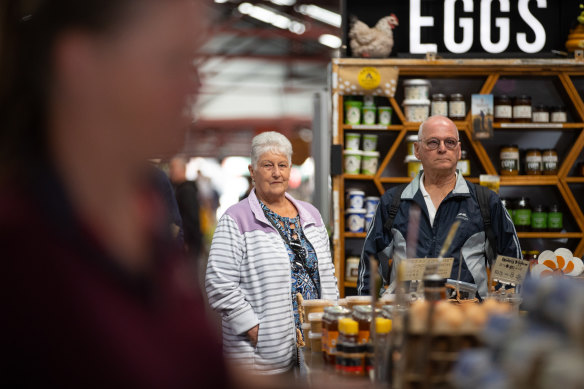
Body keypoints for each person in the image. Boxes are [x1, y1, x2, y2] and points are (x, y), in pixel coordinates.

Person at [0, 1, 230, 388]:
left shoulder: (146, 210)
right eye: (172, 61)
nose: (196, 84)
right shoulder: (22, 256)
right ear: (80, 65)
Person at [206, 131, 338, 375]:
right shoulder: (236, 219)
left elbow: (327, 272)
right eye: (268, 165)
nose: (277, 172)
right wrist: (255, 330)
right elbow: (219, 284)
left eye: (282, 165)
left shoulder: (312, 215)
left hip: (315, 342)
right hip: (262, 355)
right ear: (253, 171)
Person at [358, 116, 521, 299]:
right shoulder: (394, 201)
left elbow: (510, 262)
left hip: (466, 320)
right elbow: (370, 264)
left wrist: (503, 311)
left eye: (450, 142)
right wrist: (373, 310)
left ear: (458, 151)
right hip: (406, 318)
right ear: (417, 150)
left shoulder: (486, 202)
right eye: (433, 143)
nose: (442, 149)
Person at [169, 156, 203, 258]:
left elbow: (191, 218)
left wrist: (186, 240)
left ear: (183, 170)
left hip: (188, 244)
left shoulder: (186, 191)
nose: (171, 172)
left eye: (173, 168)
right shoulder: (180, 189)